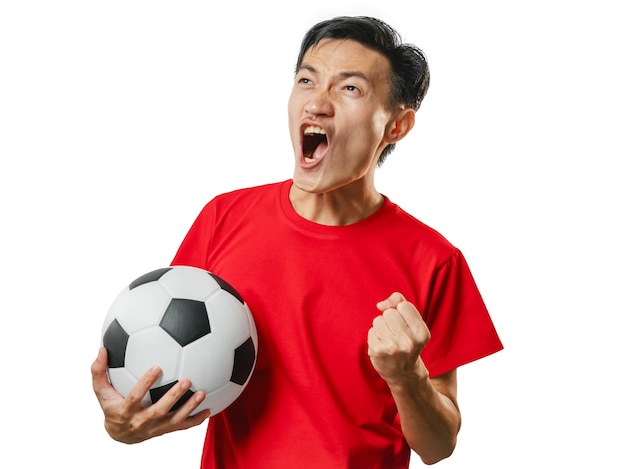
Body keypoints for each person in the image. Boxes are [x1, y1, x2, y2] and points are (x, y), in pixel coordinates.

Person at [92, 15, 503, 468]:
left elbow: (439, 445)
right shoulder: (223, 218)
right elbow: (170, 370)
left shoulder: (434, 260)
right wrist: (123, 424)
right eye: (307, 80)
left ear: (396, 126)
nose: (318, 103)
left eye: (350, 89)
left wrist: (406, 376)